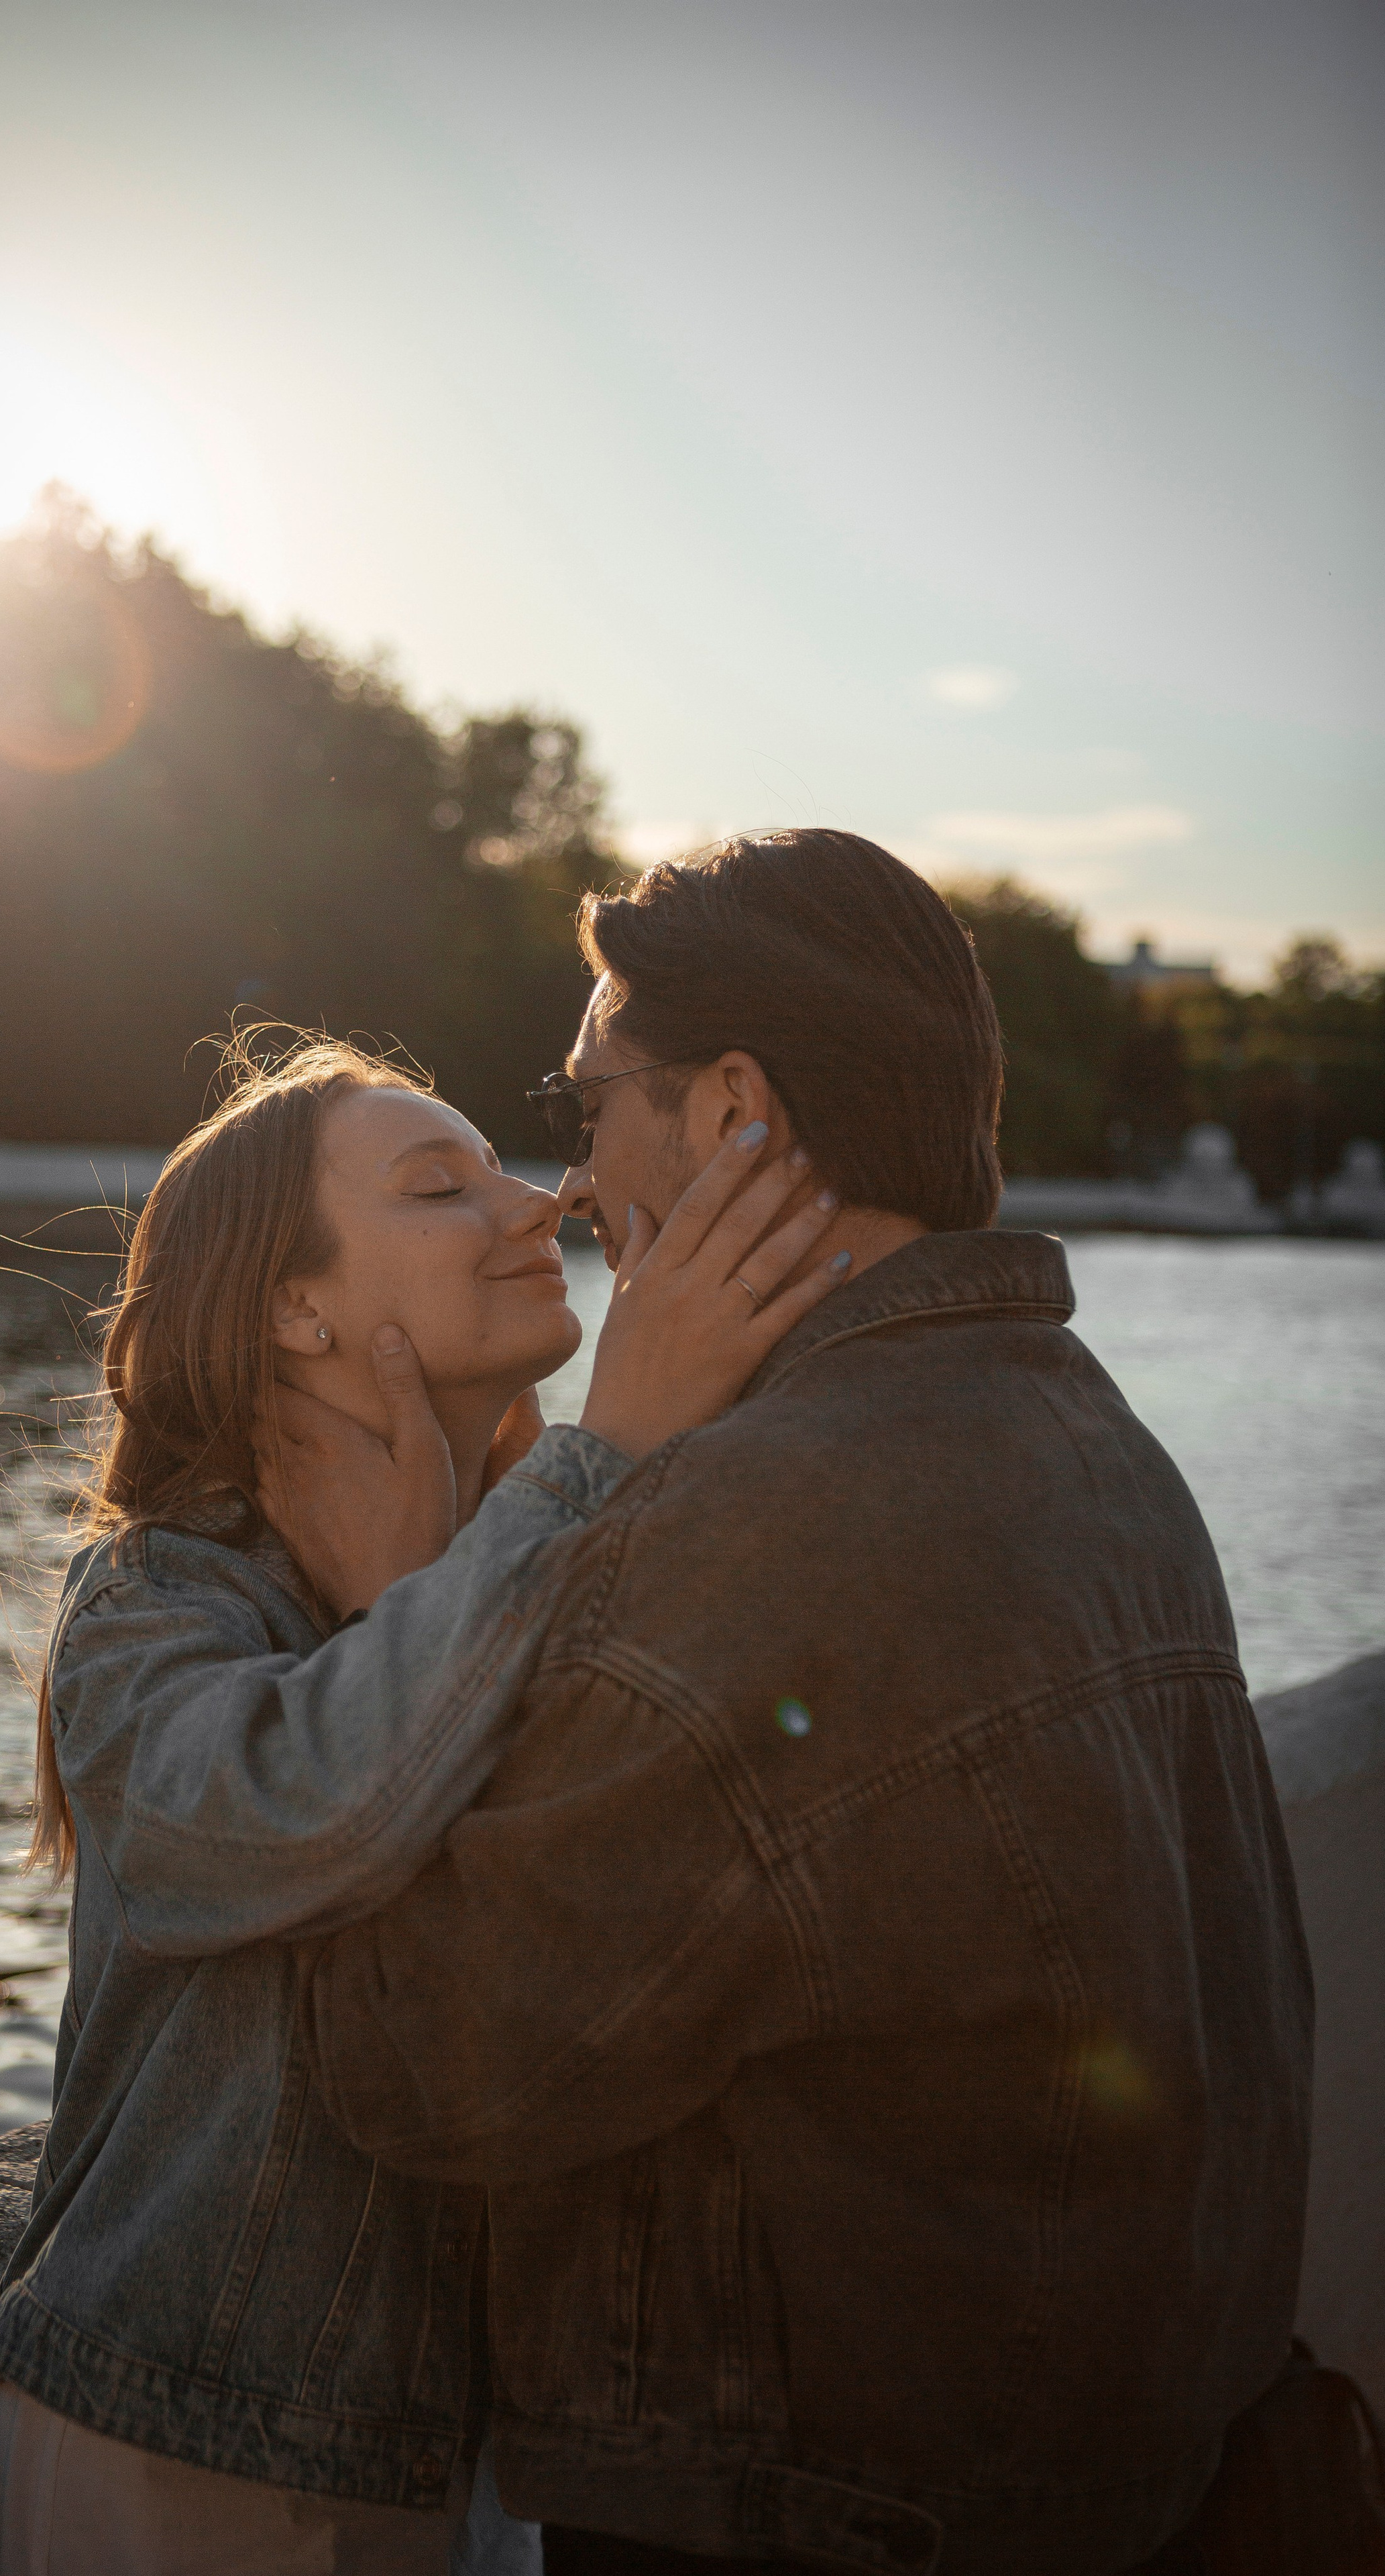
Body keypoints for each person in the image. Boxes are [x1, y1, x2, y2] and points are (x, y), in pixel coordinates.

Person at [272, 833, 1313, 2576]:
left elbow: (419, 2066)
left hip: (827, 2517)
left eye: (592, 1102)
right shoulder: (1097, 1443)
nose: (578, 1181)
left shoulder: (768, 1522)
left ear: (737, 1110)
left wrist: (414, 1616)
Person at [0, 1032, 848, 2576]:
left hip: (465, 2469)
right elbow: (297, 1819)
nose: (538, 1199)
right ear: (294, 1308)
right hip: (180, 2456)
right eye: (442, 1188)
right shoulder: (162, 1593)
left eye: (506, 1163)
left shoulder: (547, 1556)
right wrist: (601, 1455)